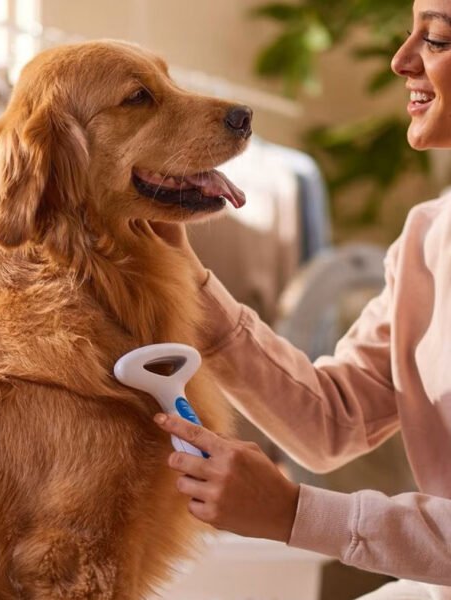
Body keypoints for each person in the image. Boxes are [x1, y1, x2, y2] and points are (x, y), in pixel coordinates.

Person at [152, 1, 451, 597]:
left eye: (438, 38)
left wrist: (294, 513)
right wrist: (189, 279)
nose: (401, 60)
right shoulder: (427, 236)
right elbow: (332, 419)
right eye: (410, 30)